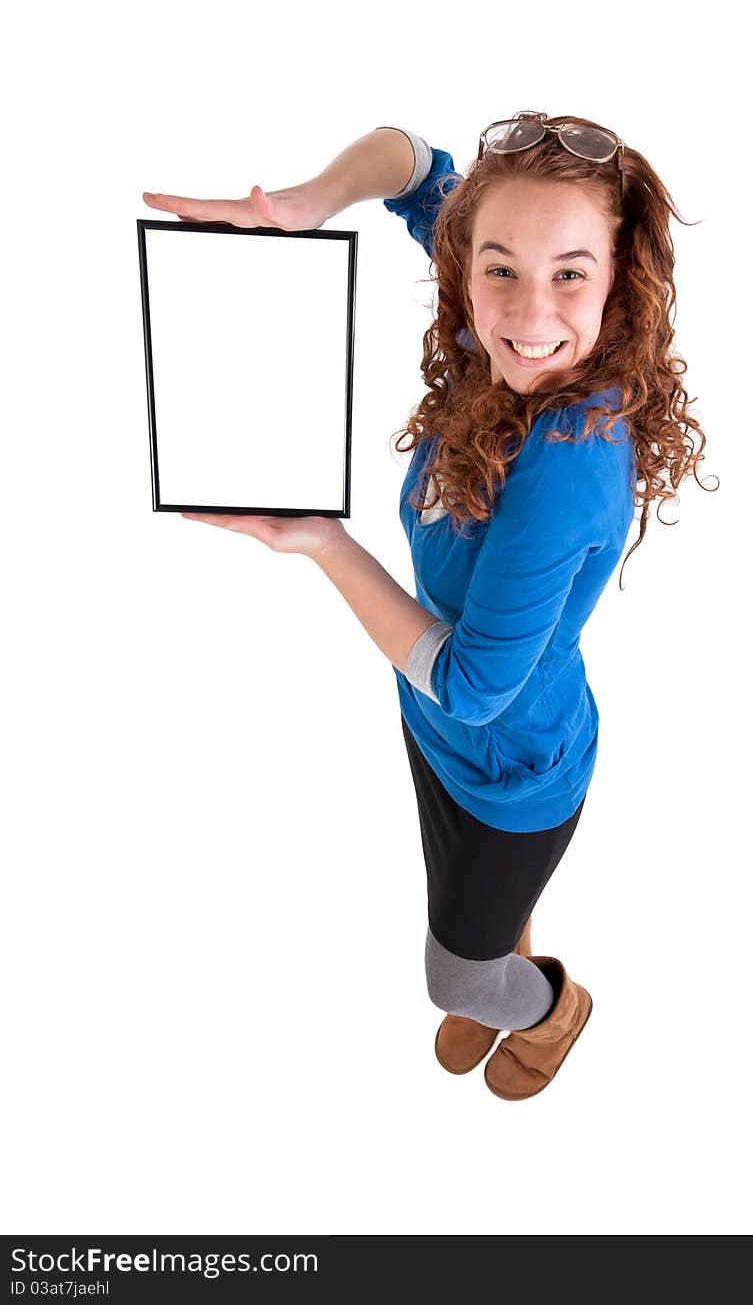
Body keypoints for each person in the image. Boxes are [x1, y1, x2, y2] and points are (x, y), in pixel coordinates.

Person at [143, 114, 709, 1101]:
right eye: (501, 269)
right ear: (472, 258)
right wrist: (298, 210)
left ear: (620, 274)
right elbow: (410, 160)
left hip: (510, 763)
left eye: (570, 273)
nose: (530, 312)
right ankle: (499, 950)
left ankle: (548, 1004)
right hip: (429, 714)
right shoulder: (500, 307)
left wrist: (322, 541)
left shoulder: (569, 460)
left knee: (454, 972)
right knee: (471, 913)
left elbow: (476, 683)